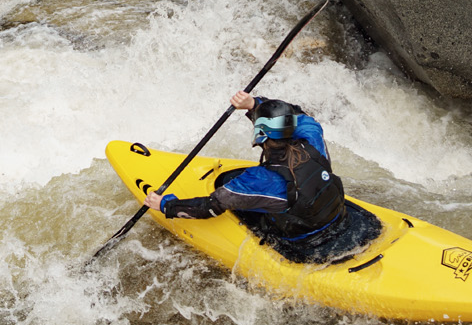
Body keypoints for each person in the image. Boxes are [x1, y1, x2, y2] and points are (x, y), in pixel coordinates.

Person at [143, 91, 348, 253]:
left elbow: (210, 207)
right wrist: (254, 104)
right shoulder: (312, 140)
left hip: (302, 240)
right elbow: (297, 114)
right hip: (337, 217)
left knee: (228, 187)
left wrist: (165, 205)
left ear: (260, 134)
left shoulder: (259, 180)